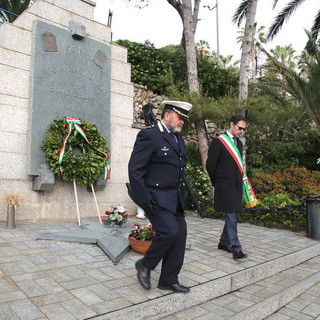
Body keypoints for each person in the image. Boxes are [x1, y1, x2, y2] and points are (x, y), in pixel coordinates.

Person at [128, 100, 192, 293]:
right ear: (167, 115)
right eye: (180, 117)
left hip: (175, 198)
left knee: (179, 235)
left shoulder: (177, 139)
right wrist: (144, 199)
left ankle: (168, 279)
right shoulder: (150, 135)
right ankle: (145, 265)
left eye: (184, 119)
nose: (182, 122)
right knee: (169, 231)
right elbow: (135, 169)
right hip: (155, 197)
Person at [206, 115, 248, 260]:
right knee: (231, 214)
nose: (241, 131)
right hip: (224, 184)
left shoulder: (239, 143)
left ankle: (224, 243)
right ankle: (236, 248)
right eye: (239, 128)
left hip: (236, 184)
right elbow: (210, 164)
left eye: (244, 129)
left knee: (233, 213)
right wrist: (216, 182)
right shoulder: (219, 142)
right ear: (232, 124)